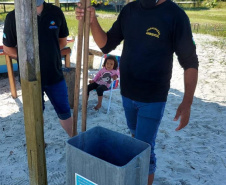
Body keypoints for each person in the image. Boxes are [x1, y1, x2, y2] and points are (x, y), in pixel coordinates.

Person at [76, 0, 199, 184]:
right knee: (135, 139)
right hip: (127, 93)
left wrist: (187, 101)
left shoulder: (176, 16)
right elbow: (106, 45)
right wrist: (92, 20)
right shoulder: (130, 10)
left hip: (153, 98)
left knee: (144, 150)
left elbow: (190, 62)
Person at [3, 0, 73, 137]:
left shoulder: (55, 12)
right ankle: (40, 143)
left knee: (64, 111)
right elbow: (7, 48)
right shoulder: (13, 16)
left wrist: (49, 52)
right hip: (30, 77)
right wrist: (29, 58)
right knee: (35, 114)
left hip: (54, 74)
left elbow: (63, 41)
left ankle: (75, 140)